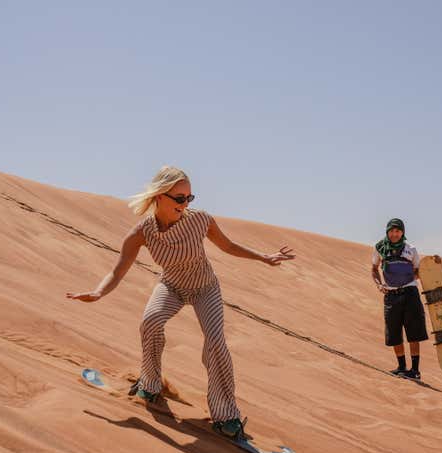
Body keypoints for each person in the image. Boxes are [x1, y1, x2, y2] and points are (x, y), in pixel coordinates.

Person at [67, 166, 295, 438]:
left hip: (205, 288)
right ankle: (150, 384)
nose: (185, 204)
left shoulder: (200, 220)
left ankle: (226, 415)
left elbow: (229, 246)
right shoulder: (142, 233)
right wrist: (98, 293)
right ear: (160, 196)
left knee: (215, 342)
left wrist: (264, 257)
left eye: (189, 198)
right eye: (179, 198)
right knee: (150, 322)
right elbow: (118, 271)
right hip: (171, 286)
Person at [371, 218, 432, 379]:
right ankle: (401, 366)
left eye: (398, 231)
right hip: (391, 295)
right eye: (392, 231)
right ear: (387, 231)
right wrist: (379, 285)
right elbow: (374, 269)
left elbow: (418, 271)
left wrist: (408, 277)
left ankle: (415, 370)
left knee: (413, 332)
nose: (394, 234)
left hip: (410, 293)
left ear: (402, 232)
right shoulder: (379, 248)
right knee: (394, 332)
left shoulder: (411, 249)